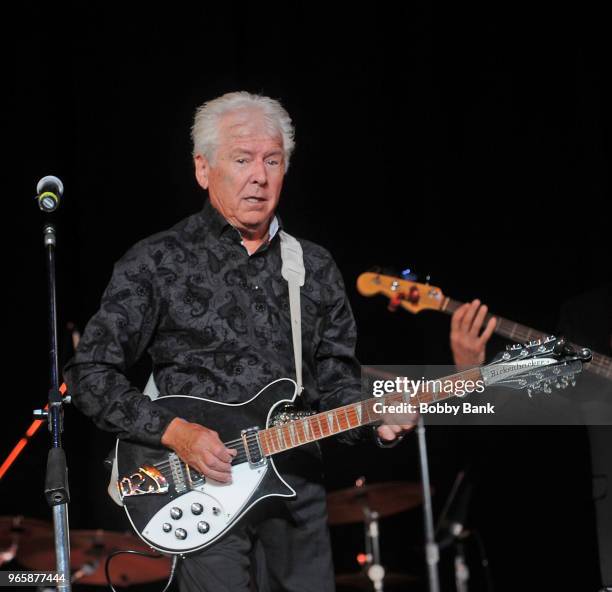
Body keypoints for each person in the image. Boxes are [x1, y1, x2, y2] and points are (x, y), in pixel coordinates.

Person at [63, 91, 491, 591]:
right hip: (202, 485)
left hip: (296, 492)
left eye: (273, 161)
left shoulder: (313, 266)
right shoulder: (156, 261)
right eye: (242, 160)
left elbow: (336, 388)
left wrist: (379, 420)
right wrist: (177, 433)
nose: (260, 176)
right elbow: (88, 374)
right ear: (203, 169)